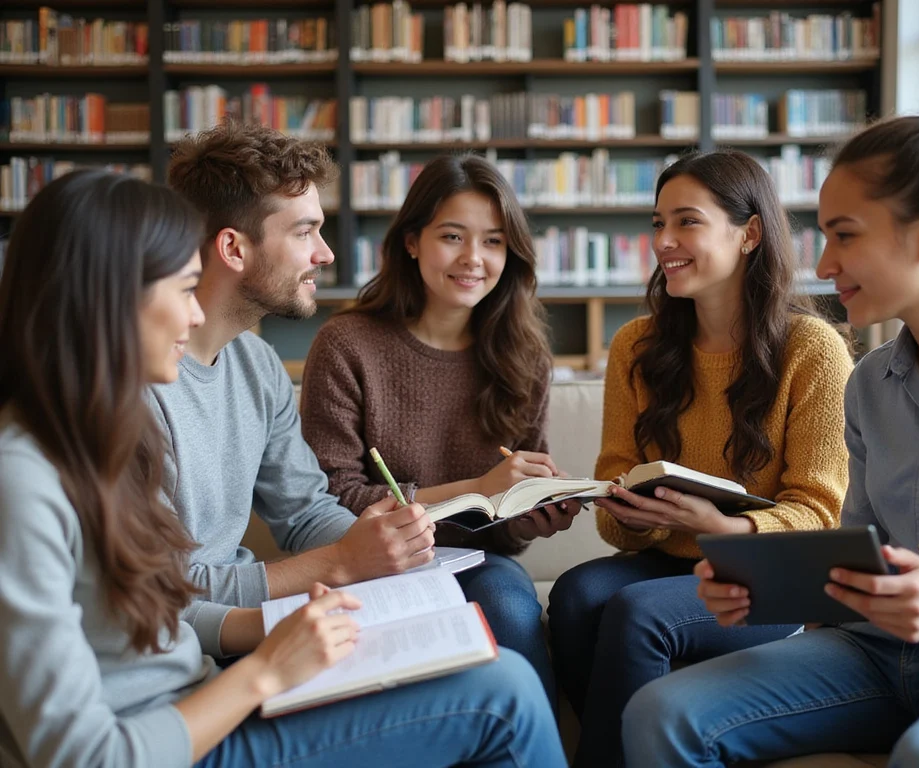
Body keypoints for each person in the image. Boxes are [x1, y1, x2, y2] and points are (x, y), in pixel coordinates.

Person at [0, 169, 567, 768]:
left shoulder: (95, 436)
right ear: (109, 300)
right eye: (182, 288)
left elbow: (169, 606)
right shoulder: (32, 479)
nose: (195, 316)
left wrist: (284, 623)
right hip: (185, 723)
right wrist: (269, 665)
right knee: (503, 693)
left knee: (491, 660)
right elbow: (86, 754)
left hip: (201, 694)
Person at [622, 73, 919, 768]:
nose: (824, 263)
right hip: (869, 649)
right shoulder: (870, 382)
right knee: (661, 711)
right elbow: (853, 548)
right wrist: (764, 584)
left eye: (844, 236)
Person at [546, 150, 853, 767]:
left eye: (686, 222)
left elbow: (822, 514)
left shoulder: (812, 349)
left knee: (637, 611)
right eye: (658, 223)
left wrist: (722, 527)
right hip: (668, 557)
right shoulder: (636, 345)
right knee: (577, 595)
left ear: (750, 233)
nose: (664, 241)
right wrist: (637, 511)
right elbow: (614, 509)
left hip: (771, 578)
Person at [300, 153, 580, 711]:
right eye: (453, 236)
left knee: (509, 606)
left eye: (495, 241)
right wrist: (479, 487)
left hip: (480, 564)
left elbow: (506, 534)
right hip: (374, 567)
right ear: (411, 241)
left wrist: (528, 511)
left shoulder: (526, 358)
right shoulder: (348, 345)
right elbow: (333, 502)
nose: (474, 259)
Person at [152, 122, 437, 657]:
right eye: (304, 232)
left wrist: (376, 537)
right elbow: (162, 593)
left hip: (259, 630)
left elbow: (304, 512)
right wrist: (344, 562)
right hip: (211, 646)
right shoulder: (140, 386)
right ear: (233, 248)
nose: (325, 255)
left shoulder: (258, 364)